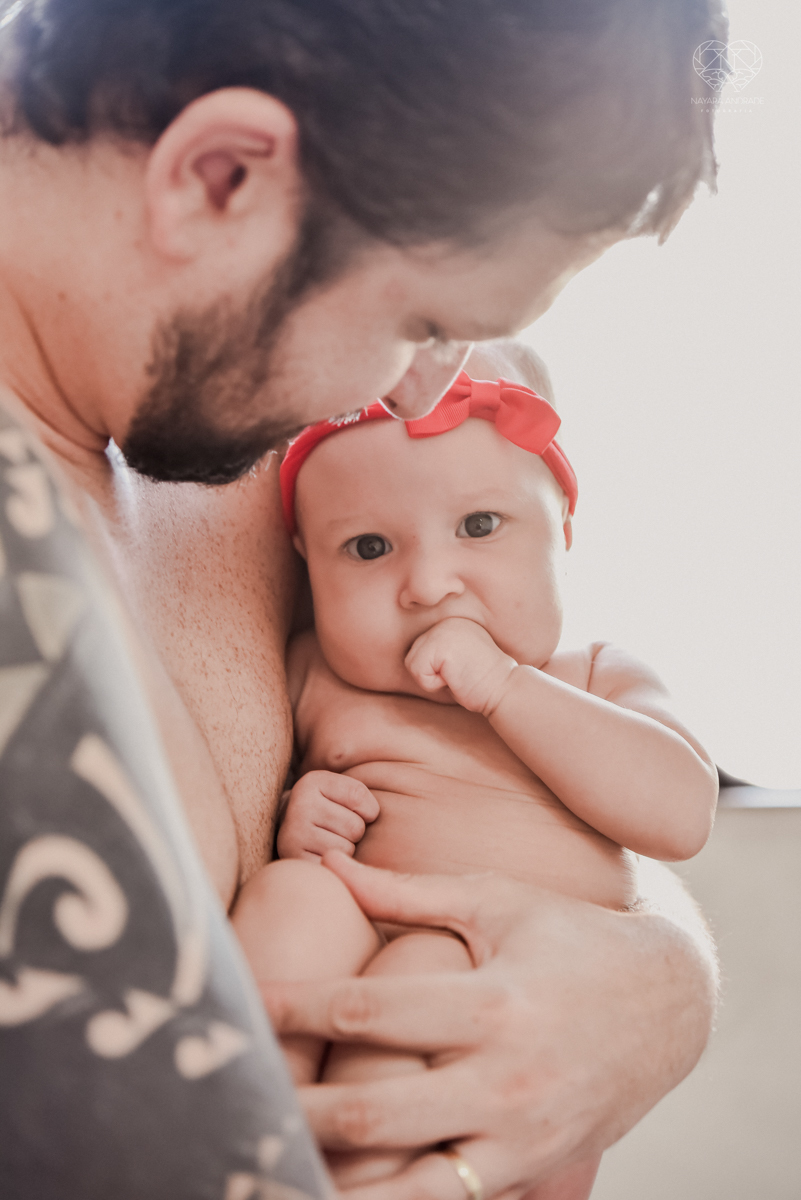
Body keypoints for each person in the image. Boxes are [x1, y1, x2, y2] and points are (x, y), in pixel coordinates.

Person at [0, 1, 725, 1197]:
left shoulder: (268, 443)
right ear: (223, 175)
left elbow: (529, 781)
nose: (423, 393)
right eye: (424, 323)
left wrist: (665, 982)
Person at [232, 349, 719, 1200]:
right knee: (290, 899)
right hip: (357, 950)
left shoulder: (594, 674)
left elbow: (680, 815)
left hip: (520, 1009)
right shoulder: (318, 673)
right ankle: (235, 1145)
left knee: (421, 970)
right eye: (369, 546)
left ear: (562, 523)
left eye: (480, 526)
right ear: (306, 560)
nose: (427, 583)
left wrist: (502, 687)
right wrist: (301, 810)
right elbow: (273, 790)